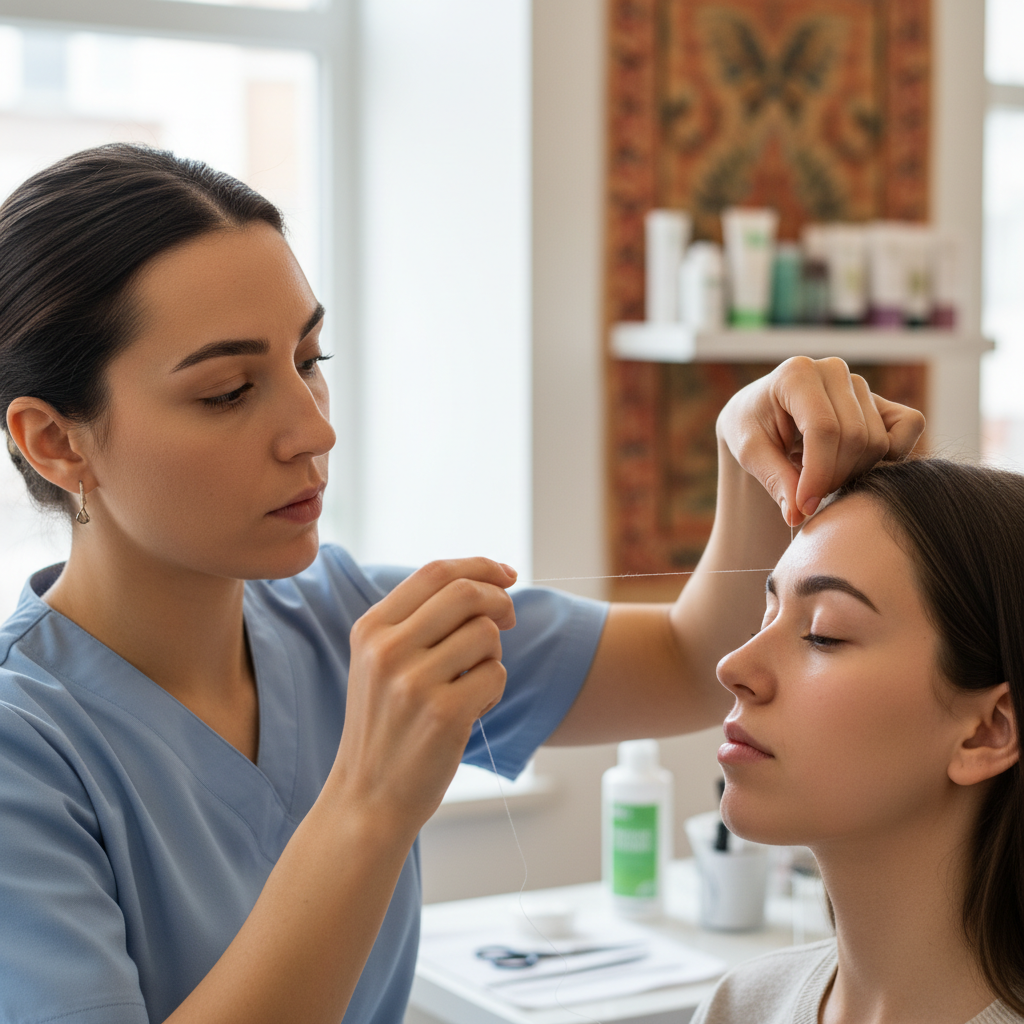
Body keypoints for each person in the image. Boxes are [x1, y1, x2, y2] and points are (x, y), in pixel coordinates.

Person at [0, 143, 924, 1024]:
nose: (313, 430)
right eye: (229, 392)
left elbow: (691, 662)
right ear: (56, 440)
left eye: (310, 363)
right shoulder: (26, 753)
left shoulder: (347, 614)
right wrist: (370, 800)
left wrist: (743, 448)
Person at [693, 458, 1024, 1024]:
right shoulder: (739, 1006)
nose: (734, 665)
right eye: (766, 615)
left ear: (988, 731)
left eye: (824, 633)